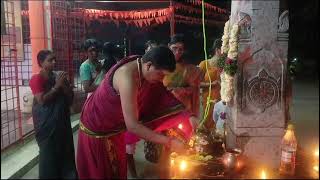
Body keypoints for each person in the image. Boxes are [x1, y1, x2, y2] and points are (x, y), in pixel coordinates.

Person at [77, 46, 195, 179]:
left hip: (115, 129)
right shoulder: (128, 78)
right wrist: (169, 141)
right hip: (98, 128)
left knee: (118, 170)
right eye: (161, 75)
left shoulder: (142, 66)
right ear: (149, 65)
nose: (162, 80)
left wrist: (188, 116)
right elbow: (132, 126)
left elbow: (161, 97)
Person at [29, 50, 77, 179]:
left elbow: (69, 100)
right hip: (46, 125)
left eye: (54, 59)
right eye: (50, 60)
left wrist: (65, 86)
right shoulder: (36, 79)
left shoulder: (58, 76)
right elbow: (42, 100)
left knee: (65, 153)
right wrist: (57, 86)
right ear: (41, 62)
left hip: (62, 123)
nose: (54, 62)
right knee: (48, 156)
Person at [198, 38, 223, 130]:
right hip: (208, 100)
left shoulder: (227, 66)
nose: (228, 52)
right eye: (225, 49)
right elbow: (196, 83)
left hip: (223, 101)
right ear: (217, 50)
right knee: (207, 125)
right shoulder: (204, 64)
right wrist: (211, 84)